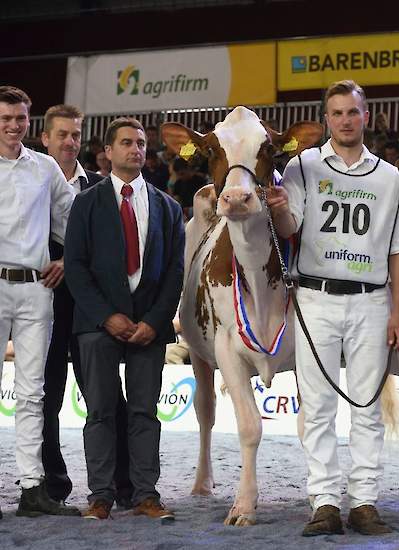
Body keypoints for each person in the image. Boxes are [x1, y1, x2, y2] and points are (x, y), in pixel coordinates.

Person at [269, 79, 399, 537]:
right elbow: (291, 227)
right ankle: (325, 501)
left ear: (365, 116)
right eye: (337, 113)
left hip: (372, 299)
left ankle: (364, 501)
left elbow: (398, 249)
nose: (345, 120)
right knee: (319, 404)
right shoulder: (302, 166)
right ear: (326, 119)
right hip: (314, 297)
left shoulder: (389, 177)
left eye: (353, 112)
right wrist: (277, 210)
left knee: (367, 405)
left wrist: (398, 310)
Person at [64, 117, 185, 522]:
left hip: (149, 325)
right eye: (127, 143)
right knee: (100, 412)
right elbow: (76, 268)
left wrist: (154, 319)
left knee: (144, 413)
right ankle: (101, 497)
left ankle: (146, 494)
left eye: (141, 143)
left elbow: (174, 274)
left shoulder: (168, 207)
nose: (136, 149)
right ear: (109, 153)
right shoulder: (86, 203)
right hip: (97, 325)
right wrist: (105, 316)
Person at [39, 103, 133, 507]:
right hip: (41, 304)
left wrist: (69, 261)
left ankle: (126, 484)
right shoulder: (29, 180)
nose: (69, 141)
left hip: (88, 306)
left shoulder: (100, 184)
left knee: (108, 395)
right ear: (44, 138)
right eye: (61, 134)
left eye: (76, 134)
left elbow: (110, 247)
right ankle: (52, 486)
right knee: (46, 398)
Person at [0, 86, 79, 518]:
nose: (14, 126)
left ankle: (33, 489)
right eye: (6, 118)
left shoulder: (46, 167)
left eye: (20, 118)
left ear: (29, 121)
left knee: (33, 393)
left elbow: (75, 222)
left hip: (37, 289)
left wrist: (67, 258)